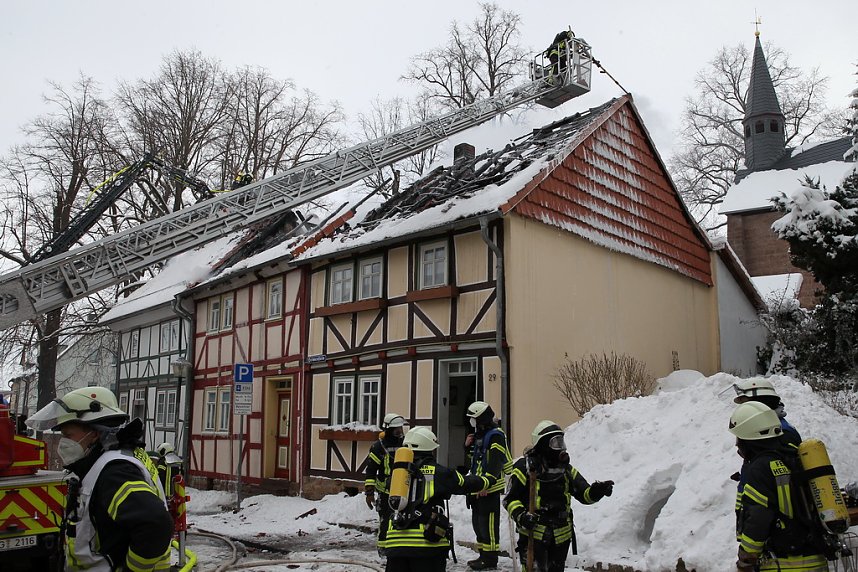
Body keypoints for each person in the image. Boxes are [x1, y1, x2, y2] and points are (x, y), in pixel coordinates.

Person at [26, 386, 173, 571]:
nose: (64, 442)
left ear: (94, 433)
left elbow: (155, 524)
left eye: (68, 435)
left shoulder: (114, 471)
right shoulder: (110, 461)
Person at [728, 401, 829, 571]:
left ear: (749, 439)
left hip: (786, 564)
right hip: (816, 560)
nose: (737, 444)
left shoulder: (761, 467)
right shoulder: (795, 458)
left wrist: (746, 558)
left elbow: (758, 517)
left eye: (739, 438)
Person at [380, 426, 496, 572]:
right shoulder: (439, 472)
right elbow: (465, 483)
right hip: (426, 546)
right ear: (429, 448)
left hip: (395, 545)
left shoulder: (397, 473)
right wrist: (489, 480)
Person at [503, 420, 613, 572]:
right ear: (542, 444)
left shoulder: (566, 470)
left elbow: (585, 495)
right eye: (555, 443)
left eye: (561, 442)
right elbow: (510, 499)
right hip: (534, 535)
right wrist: (522, 516)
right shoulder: (525, 468)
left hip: (561, 537)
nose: (560, 447)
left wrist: (597, 491)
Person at [463, 401, 513, 570]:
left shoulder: (496, 435)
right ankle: (483, 555)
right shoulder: (481, 434)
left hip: (489, 488)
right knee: (478, 523)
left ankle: (490, 559)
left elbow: (496, 463)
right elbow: (477, 460)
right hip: (478, 486)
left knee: (489, 525)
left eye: (473, 419)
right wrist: (467, 447)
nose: (472, 422)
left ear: (482, 419)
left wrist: (486, 485)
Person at [365, 413, 408, 553]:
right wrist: (369, 493)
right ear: (388, 429)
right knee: (385, 521)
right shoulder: (378, 447)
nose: (400, 431)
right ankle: (383, 547)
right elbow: (371, 471)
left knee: (404, 519)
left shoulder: (405, 444)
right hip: (385, 491)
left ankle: (399, 546)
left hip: (403, 489)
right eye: (396, 429)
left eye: (401, 428)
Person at [733, 378, 802, 449]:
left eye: (747, 405)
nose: (744, 410)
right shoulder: (768, 427)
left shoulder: (780, 433)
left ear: (760, 403)